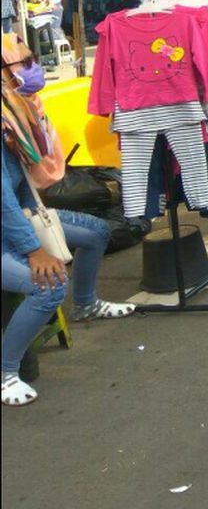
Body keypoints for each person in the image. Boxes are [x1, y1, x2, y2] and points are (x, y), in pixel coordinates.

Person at [2, 34, 135, 407]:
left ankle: (87, 303)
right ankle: (5, 372)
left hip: (16, 221)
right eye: (22, 63)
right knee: (49, 287)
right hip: (7, 231)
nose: (31, 69)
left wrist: (36, 218)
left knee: (96, 231)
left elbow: (25, 186)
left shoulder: (13, 115)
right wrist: (33, 251)